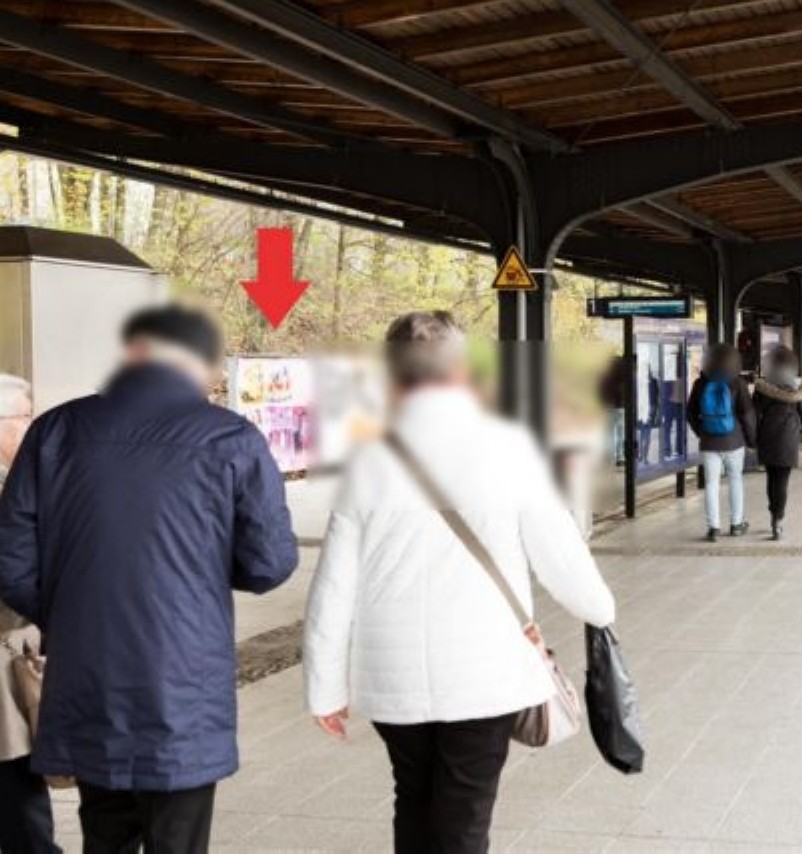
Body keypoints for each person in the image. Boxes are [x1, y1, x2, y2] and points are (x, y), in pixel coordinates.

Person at [305, 311, 615, 854]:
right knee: (465, 812)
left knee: (413, 798)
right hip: (484, 673)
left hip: (392, 672)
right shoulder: (508, 448)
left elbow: (333, 587)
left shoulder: (367, 458)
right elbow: (562, 558)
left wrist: (325, 689)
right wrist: (601, 610)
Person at [0, 306, 298, 853]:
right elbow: (269, 563)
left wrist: (67, 613)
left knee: (104, 833)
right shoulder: (230, 437)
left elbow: (12, 563)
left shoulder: (55, 431)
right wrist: (200, 573)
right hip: (185, 685)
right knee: (178, 837)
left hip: (87, 675)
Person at [0, 374, 60, 854]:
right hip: (6, 651)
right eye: (26, 416)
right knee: (17, 787)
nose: (31, 426)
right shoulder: (8, 488)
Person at [687, 344, 755, 542]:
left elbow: (690, 413)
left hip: (709, 442)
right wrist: (751, 439)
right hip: (734, 441)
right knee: (735, 480)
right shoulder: (738, 383)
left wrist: (702, 432)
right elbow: (747, 414)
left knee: (711, 484)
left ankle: (713, 528)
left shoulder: (700, 384)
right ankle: (736, 524)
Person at [753, 348, 802, 540]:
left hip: (767, 434)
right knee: (782, 480)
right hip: (788, 435)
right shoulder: (798, 386)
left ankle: (773, 513)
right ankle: (778, 519)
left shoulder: (763, 386)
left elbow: (755, 412)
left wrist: (753, 436)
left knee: (771, 477)